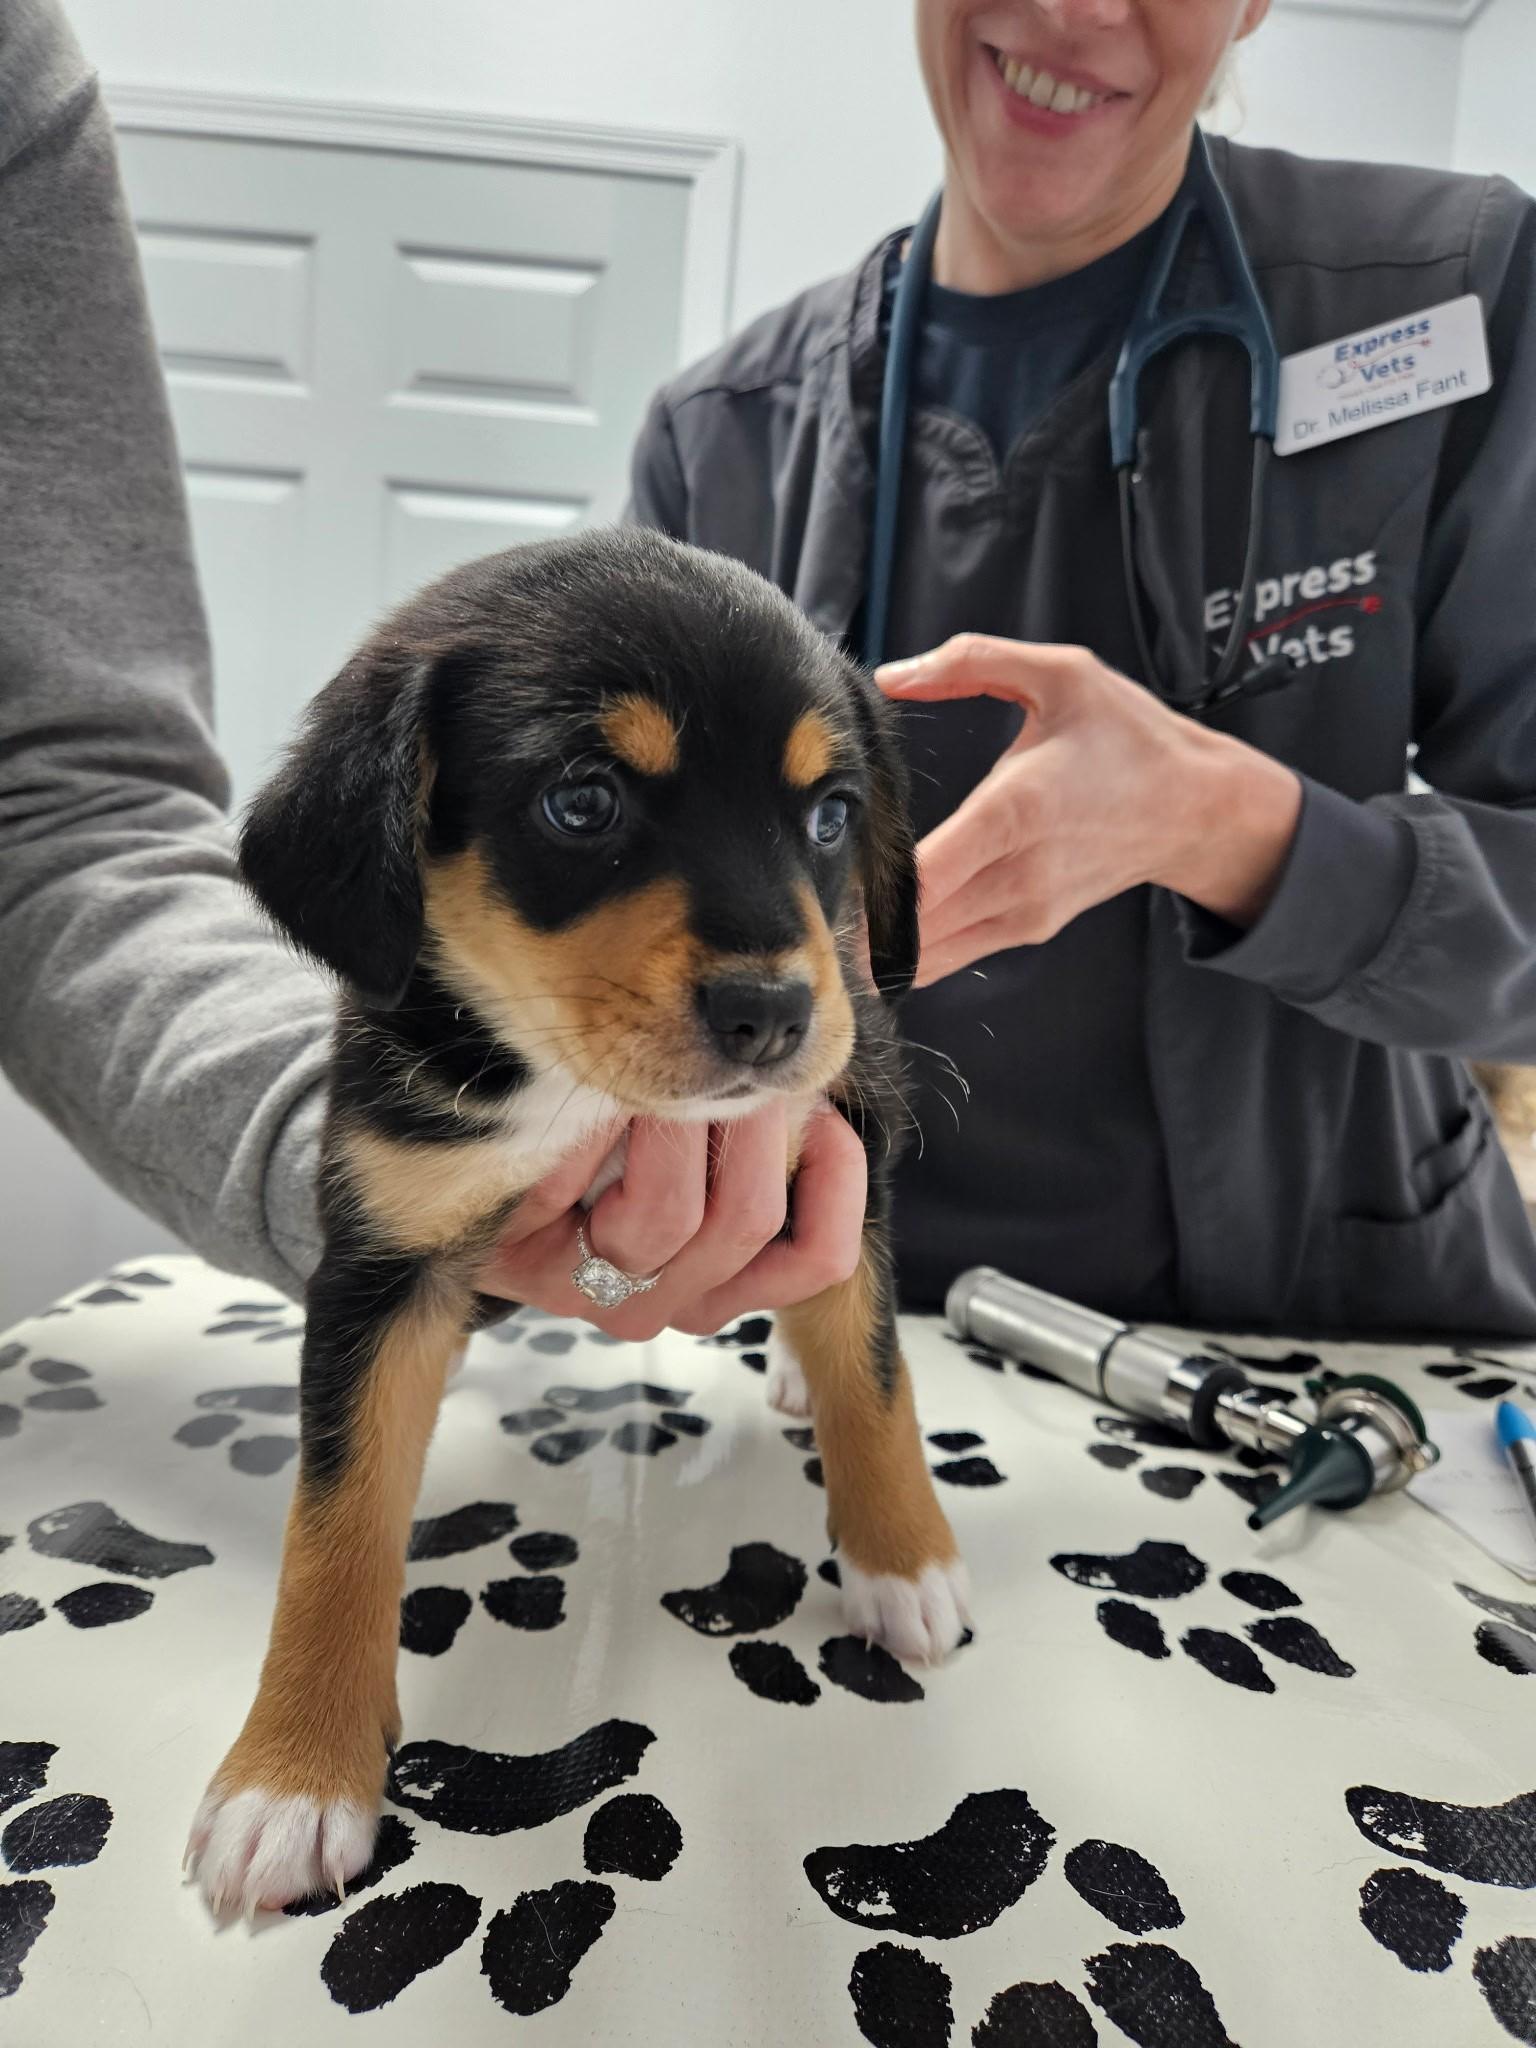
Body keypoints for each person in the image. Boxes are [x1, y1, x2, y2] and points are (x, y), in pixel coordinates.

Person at [625, 0, 1536, 1336]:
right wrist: (604, 1257)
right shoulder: (721, 440)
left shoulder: (1451, 297)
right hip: (851, 1325)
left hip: (1313, 1335)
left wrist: (1235, 832)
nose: (1073, 10)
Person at [0, 0, 864, 1341]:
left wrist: (385, 1182)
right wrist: (391, 1172)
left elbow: (61, 803)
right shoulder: (722, 418)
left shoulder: (14, 81)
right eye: (586, 802)